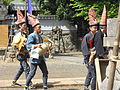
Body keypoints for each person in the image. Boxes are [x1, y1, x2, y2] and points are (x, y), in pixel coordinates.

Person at [25, 14, 48, 90]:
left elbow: (41, 45)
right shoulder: (31, 36)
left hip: (41, 57)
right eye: (39, 28)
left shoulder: (40, 37)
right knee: (32, 73)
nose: (40, 29)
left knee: (45, 72)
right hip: (34, 57)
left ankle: (45, 86)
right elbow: (28, 45)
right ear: (35, 28)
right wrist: (36, 45)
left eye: (40, 27)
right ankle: (26, 86)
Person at [11, 10, 31, 86]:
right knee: (27, 68)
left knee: (22, 69)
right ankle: (28, 84)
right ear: (20, 26)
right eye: (24, 25)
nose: (25, 27)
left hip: (25, 54)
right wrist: (19, 48)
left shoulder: (25, 34)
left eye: (25, 25)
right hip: (20, 54)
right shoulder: (18, 34)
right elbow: (14, 44)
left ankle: (14, 81)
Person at [81, 8, 98, 90]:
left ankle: (86, 85)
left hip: (94, 56)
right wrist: (89, 55)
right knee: (94, 73)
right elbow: (84, 47)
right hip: (89, 57)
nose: (96, 29)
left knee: (91, 72)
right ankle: (93, 88)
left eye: (96, 27)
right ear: (90, 28)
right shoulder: (87, 36)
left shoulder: (97, 35)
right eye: (94, 28)